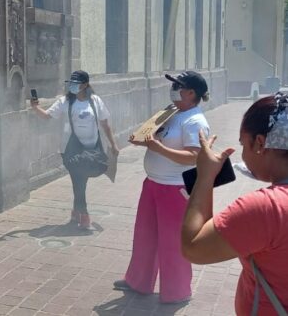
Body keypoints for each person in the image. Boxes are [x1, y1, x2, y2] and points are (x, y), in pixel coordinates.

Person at [182, 93, 288, 315]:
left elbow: (194, 248)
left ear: (260, 143)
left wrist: (205, 177)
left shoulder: (267, 208)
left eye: (243, 143)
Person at [114, 71, 211, 304]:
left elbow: (192, 157)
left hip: (174, 189)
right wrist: (142, 138)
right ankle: (138, 280)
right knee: (145, 236)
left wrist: (158, 149)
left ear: (191, 93)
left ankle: (177, 291)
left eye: (178, 86)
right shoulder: (172, 112)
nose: (173, 89)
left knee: (172, 242)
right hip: (154, 184)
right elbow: (152, 135)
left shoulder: (195, 121)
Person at [30, 70, 120, 229]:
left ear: (85, 85)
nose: (72, 86)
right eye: (71, 83)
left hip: (91, 148)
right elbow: (47, 116)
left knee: (80, 181)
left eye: (76, 83)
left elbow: (105, 123)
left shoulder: (95, 100)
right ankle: (84, 214)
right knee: (78, 179)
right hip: (70, 149)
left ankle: (75, 211)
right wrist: (35, 108)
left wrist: (113, 144)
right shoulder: (65, 101)